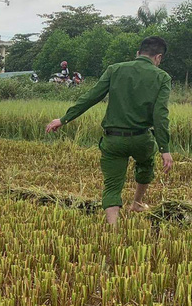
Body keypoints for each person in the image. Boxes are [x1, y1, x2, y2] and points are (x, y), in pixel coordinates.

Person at [45, 36, 173, 227]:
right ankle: (137, 203)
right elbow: (160, 114)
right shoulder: (162, 77)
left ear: (138, 53)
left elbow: (91, 97)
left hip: (113, 140)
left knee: (113, 185)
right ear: (158, 58)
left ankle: (112, 227)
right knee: (146, 166)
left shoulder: (115, 69)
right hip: (141, 138)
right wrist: (164, 148)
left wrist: (64, 119)